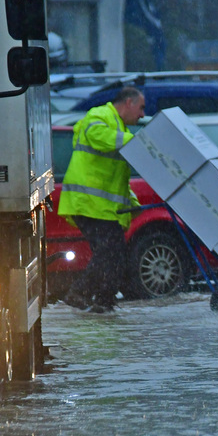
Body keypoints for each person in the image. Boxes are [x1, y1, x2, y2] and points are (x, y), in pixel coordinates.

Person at [57, 86, 146, 313]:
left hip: (98, 206)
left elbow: (117, 179)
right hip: (88, 203)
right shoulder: (100, 115)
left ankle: (104, 302)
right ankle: (81, 292)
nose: (143, 115)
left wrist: (133, 204)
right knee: (110, 251)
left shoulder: (118, 126)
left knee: (113, 254)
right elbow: (99, 138)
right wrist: (139, 141)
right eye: (141, 108)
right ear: (128, 102)